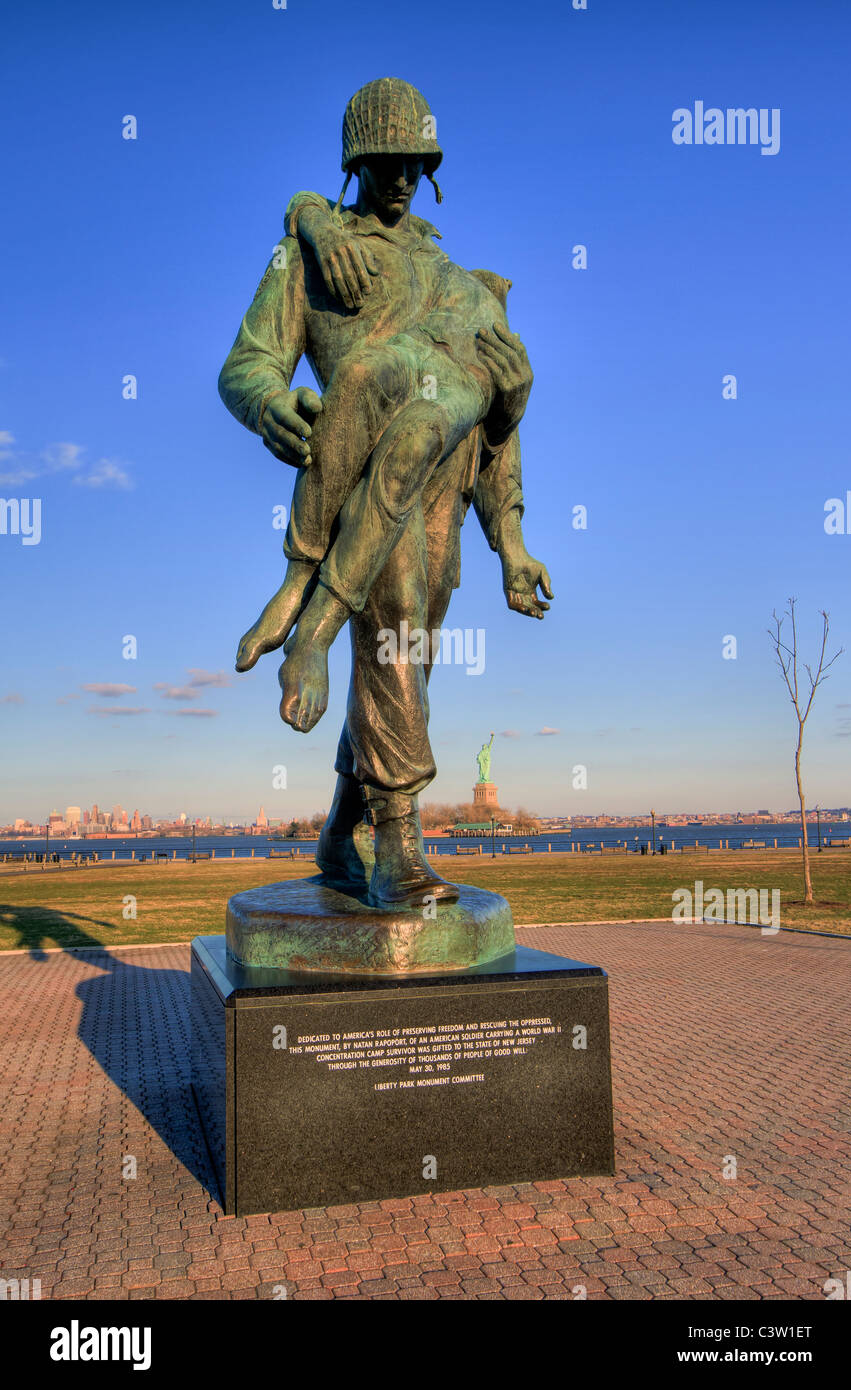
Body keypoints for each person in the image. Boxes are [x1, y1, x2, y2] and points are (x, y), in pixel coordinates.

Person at [219, 78, 552, 908]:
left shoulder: (458, 278)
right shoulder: (309, 258)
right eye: (384, 160)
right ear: (355, 162)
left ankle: (338, 833)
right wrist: (271, 402)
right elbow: (246, 367)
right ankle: (397, 847)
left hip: (439, 496)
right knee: (395, 627)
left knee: (404, 656)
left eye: (415, 162)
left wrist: (509, 543)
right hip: (353, 483)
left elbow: (495, 432)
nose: (400, 176)